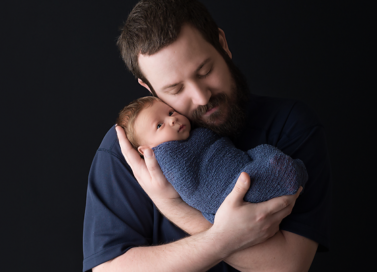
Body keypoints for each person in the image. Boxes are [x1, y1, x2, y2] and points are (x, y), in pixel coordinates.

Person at [83, 0, 331, 271]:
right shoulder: (131, 147)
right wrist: (222, 238)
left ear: (222, 43)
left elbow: (286, 267)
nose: (201, 96)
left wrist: (176, 208)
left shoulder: (290, 124)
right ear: (148, 87)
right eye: (175, 89)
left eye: (205, 71)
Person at [116, 96, 308, 223]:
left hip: (240, 164)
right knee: (264, 176)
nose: (172, 120)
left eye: (170, 112)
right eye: (159, 125)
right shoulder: (166, 156)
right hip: (223, 191)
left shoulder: (194, 130)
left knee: (263, 153)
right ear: (146, 149)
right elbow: (189, 184)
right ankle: (287, 176)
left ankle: (283, 172)